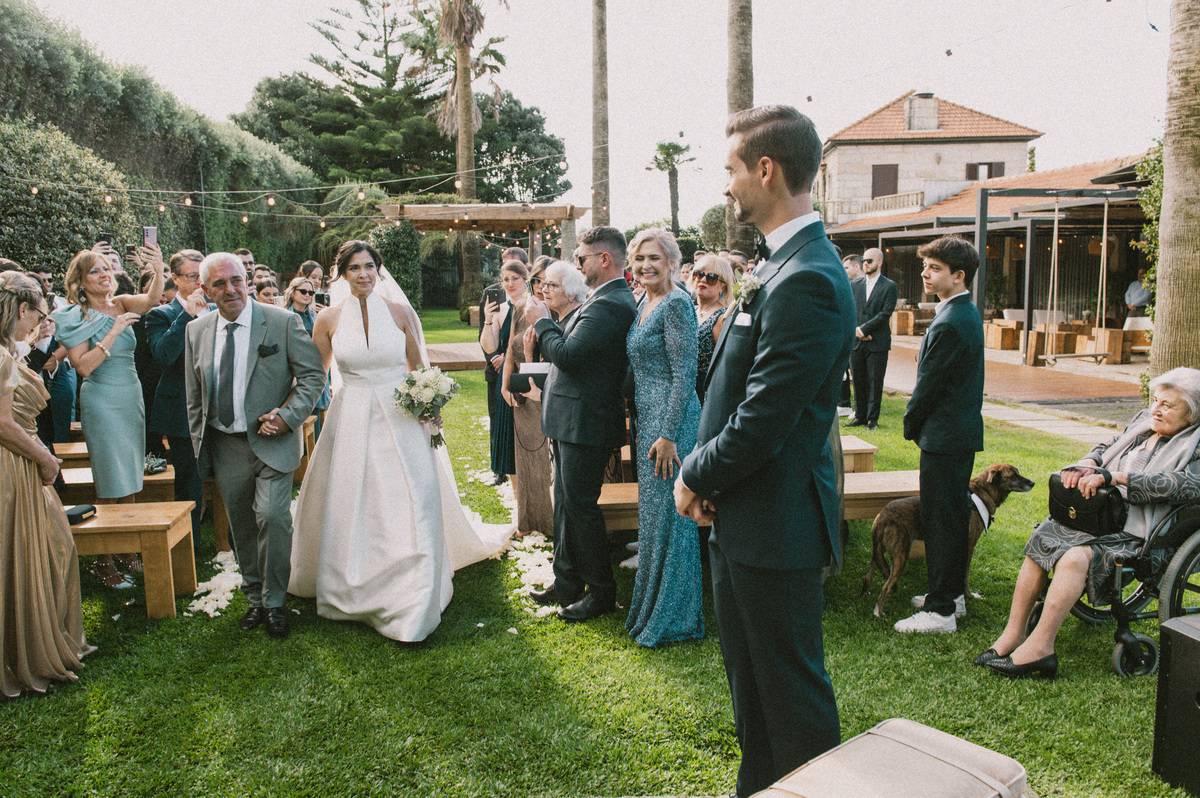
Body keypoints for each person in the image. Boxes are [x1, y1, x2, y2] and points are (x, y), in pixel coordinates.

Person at [674, 105, 853, 796]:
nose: (726, 185)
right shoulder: (780, 265)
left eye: (732, 169)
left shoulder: (809, 277)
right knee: (752, 689)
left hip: (778, 525)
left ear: (767, 169)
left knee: (790, 697)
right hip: (746, 514)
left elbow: (763, 420)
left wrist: (694, 473)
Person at [289, 240, 514, 642]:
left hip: (400, 416)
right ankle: (351, 579)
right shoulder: (327, 320)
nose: (363, 274)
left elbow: (418, 368)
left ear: (378, 271)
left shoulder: (398, 312)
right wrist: (288, 413)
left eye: (369, 266)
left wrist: (430, 403)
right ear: (342, 273)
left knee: (411, 493)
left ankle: (416, 580)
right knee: (353, 496)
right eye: (354, 268)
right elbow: (315, 375)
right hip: (350, 416)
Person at [980, 367, 1200, 678]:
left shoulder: (1195, 443)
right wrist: (1086, 464)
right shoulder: (1143, 423)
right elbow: (1107, 446)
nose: (1156, 409)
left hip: (1142, 532)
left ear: (1191, 413)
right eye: (1154, 400)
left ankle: (1041, 649)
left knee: (1074, 557)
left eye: (1168, 405)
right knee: (1043, 537)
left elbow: (1187, 485)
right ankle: (1014, 633)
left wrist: (1118, 477)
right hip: (1103, 516)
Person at [184, 252, 325, 640]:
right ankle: (255, 599)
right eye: (219, 284)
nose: (230, 289)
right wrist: (199, 445)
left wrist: (287, 417)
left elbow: (313, 377)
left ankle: (275, 601)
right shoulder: (197, 330)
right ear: (205, 289)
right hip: (225, 445)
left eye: (236, 280)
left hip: (272, 441)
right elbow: (194, 394)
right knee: (242, 525)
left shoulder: (281, 321)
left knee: (273, 516)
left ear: (246, 280)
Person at [524, 226, 637, 622]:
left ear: (604, 259)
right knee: (565, 505)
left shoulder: (612, 304)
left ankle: (601, 592)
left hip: (586, 422)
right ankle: (567, 582)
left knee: (580, 507)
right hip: (570, 420)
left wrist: (542, 322)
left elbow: (569, 356)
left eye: (581, 258)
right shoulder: (600, 300)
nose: (577, 265)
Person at [0, 270, 95, 698]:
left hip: (19, 457)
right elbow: (3, 424)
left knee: (47, 544)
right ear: (22, 308)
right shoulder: (2, 358)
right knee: (31, 549)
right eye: (39, 315)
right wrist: (45, 459)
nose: (41, 323)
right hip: (12, 465)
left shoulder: (8, 352)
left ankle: (35, 640)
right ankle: (28, 651)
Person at [53, 244, 164, 588]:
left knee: (130, 475)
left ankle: (126, 549)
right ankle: (102, 561)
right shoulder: (76, 316)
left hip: (131, 395)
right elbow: (83, 367)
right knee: (110, 480)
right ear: (80, 282)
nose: (104, 274)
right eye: (95, 271)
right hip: (101, 399)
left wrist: (159, 268)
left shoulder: (121, 302)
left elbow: (152, 300)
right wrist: (114, 332)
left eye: (106, 268)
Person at [895, 235, 985, 633]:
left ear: (959, 275)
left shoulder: (952, 320)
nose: (925, 274)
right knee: (949, 517)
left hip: (946, 436)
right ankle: (950, 595)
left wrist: (910, 424)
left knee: (941, 520)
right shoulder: (962, 312)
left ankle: (941, 611)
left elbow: (928, 386)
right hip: (955, 435)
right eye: (925, 266)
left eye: (935, 268)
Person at [624, 229, 704, 648]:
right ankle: (651, 606)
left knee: (674, 517)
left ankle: (676, 617)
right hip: (650, 419)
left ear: (672, 262)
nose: (645, 266)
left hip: (671, 424)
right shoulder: (644, 300)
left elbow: (685, 373)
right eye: (639, 258)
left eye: (654, 258)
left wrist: (670, 434)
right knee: (655, 517)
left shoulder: (676, 303)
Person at [144, 249, 209, 553]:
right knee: (189, 481)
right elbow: (163, 356)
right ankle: (189, 550)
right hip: (182, 409)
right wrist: (187, 315)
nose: (199, 283)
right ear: (175, 278)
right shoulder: (161, 315)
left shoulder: (218, 310)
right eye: (193, 276)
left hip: (218, 407)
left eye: (203, 276)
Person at [500, 262, 553, 539]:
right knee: (526, 458)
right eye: (537, 281)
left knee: (546, 460)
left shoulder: (555, 310)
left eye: (547, 281)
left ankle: (551, 521)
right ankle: (528, 519)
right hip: (522, 394)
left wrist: (530, 354)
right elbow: (511, 349)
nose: (542, 287)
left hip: (546, 395)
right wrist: (505, 385)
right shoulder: (521, 308)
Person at [480, 260, 528, 485]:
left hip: (526, 374)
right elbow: (490, 345)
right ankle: (510, 481)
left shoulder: (533, 306)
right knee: (506, 431)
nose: (510, 283)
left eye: (515, 278)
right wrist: (488, 320)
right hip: (505, 379)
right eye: (506, 279)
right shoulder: (501, 310)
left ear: (525, 280)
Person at [23, 263, 76, 444]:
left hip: (53, 378)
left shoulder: (55, 313)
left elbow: (66, 342)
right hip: (27, 388)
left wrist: (53, 359)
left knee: (55, 434)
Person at [846, 247, 897, 431]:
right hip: (857, 341)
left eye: (869, 261)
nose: (865, 264)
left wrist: (865, 329)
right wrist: (857, 331)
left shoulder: (889, 286)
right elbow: (850, 309)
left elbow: (886, 312)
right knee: (858, 380)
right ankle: (859, 415)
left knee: (875, 381)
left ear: (880, 262)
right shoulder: (855, 285)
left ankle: (872, 418)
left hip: (877, 341)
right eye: (864, 261)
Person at [284, 276, 331, 437]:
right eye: (303, 291)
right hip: (292, 367)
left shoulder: (314, 316)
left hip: (313, 365)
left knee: (314, 412)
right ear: (292, 293)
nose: (307, 295)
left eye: (311, 292)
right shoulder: (285, 315)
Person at [692, 254, 736, 403]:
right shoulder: (691, 310)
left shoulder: (722, 318)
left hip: (705, 395)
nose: (703, 280)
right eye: (699, 274)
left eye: (711, 278)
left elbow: (726, 367)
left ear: (723, 286)